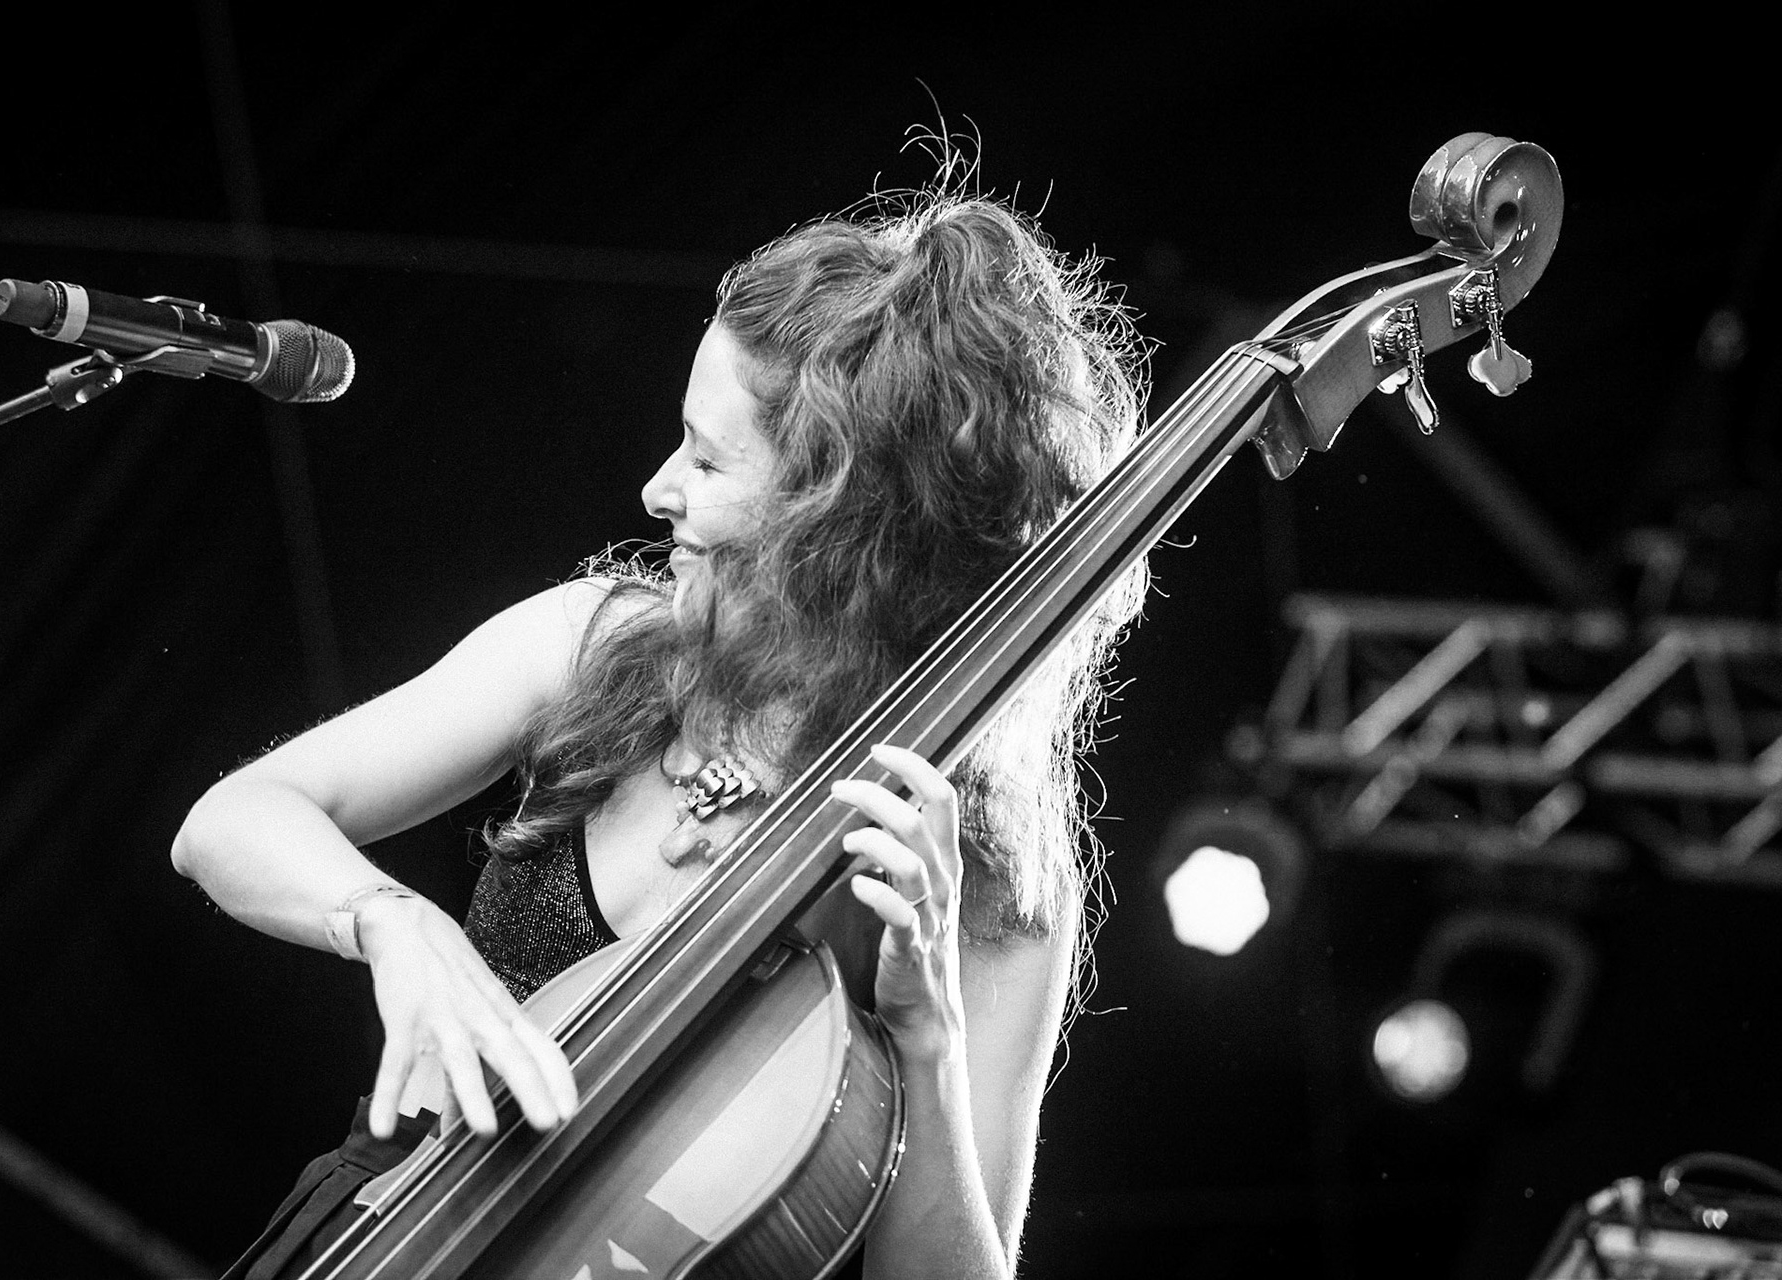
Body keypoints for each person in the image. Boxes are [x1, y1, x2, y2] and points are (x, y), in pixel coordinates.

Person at [171, 179, 1146, 1279]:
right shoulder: (604, 645)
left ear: (839, 517)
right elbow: (228, 820)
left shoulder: (980, 867)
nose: (655, 488)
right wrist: (390, 921)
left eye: (708, 456)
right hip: (381, 1235)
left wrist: (929, 1036)